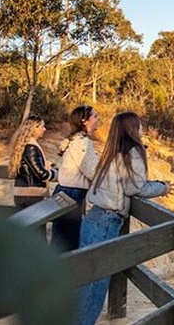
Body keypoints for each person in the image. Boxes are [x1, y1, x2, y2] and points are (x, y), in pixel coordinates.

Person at [75, 111, 170, 325]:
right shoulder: (134, 151)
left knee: (84, 278)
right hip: (108, 219)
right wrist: (162, 187)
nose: (142, 129)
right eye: (140, 125)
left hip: (93, 217)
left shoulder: (112, 150)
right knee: (95, 284)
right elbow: (135, 187)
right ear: (133, 129)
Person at [51, 105, 101, 251]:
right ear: (85, 120)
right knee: (68, 241)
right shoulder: (82, 142)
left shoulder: (75, 140)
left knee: (60, 238)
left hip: (65, 191)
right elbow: (92, 171)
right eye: (96, 116)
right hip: (72, 194)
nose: (99, 119)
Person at [8, 115, 58, 209]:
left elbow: (31, 168)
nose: (45, 129)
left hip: (24, 194)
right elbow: (41, 174)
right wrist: (57, 174)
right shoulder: (31, 148)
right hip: (32, 195)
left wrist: (44, 165)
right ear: (35, 128)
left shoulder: (25, 146)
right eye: (42, 126)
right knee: (37, 222)